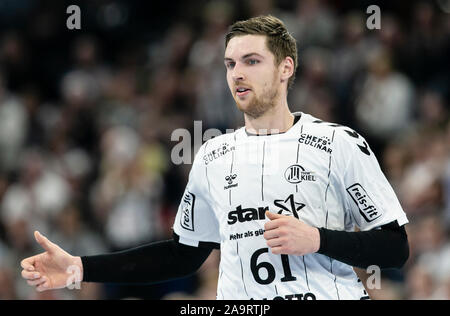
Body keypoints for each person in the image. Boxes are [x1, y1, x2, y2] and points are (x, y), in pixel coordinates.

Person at [20, 15, 409, 300]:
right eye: (230, 64)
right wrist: (81, 268)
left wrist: (316, 239)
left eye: (251, 61)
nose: (237, 73)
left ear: (285, 68)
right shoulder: (213, 155)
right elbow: (182, 256)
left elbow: (395, 247)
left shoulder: (337, 143)